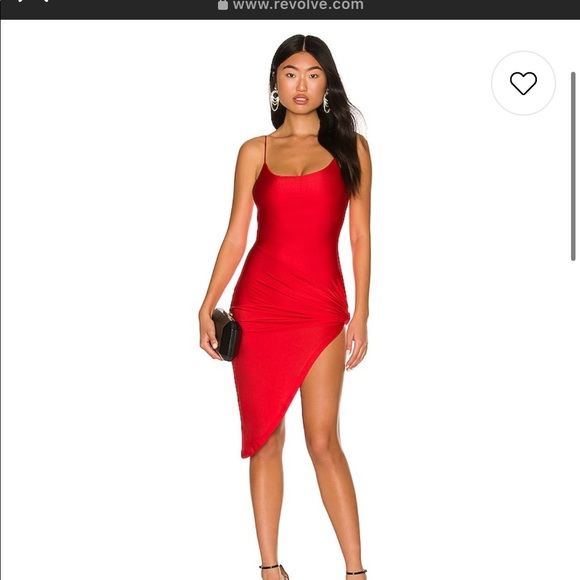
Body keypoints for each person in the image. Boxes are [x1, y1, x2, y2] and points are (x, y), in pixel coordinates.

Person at [198, 34, 372, 580]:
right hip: (259, 306)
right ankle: (270, 569)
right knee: (265, 438)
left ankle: (356, 572)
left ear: (327, 83)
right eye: (291, 73)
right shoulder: (255, 151)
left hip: (322, 308)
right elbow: (236, 236)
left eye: (313, 74)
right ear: (275, 82)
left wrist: (362, 313)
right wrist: (207, 305)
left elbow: (360, 237)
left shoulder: (352, 148)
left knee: (323, 440)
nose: (302, 84)